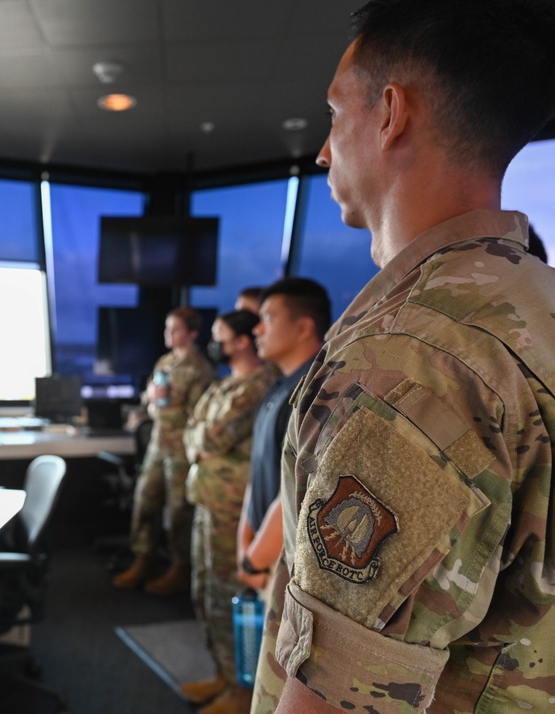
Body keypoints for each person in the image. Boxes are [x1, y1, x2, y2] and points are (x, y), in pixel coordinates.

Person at [254, 2, 555, 712]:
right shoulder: (533, 305)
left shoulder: (412, 363)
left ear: (391, 113)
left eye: (334, 114)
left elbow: (336, 699)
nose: (323, 151)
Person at [180, 309, 277, 714]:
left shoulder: (260, 385)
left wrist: (202, 439)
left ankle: (242, 690)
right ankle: (222, 674)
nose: (215, 344)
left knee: (230, 596)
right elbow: (191, 429)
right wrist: (199, 438)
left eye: (221, 337)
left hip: (232, 508)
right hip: (209, 500)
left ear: (239, 341)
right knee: (205, 591)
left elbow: (213, 437)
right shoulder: (225, 385)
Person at [236, 278, 329, 604]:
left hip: (283, 559)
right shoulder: (279, 386)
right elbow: (260, 470)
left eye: (268, 319)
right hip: (262, 550)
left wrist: (255, 558)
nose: (257, 331)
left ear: (304, 327)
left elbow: (296, 486)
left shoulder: (319, 392)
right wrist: (244, 544)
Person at [112, 306, 215, 594]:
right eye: (167, 328)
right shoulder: (165, 361)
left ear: (192, 334)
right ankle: (142, 558)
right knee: (145, 498)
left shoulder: (199, 370)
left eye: (175, 329)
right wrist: (150, 398)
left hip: (181, 448)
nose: (168, 334)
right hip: (158, 443)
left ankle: (180, 568)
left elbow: (200, 415)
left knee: (179, 509)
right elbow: (149, 397)